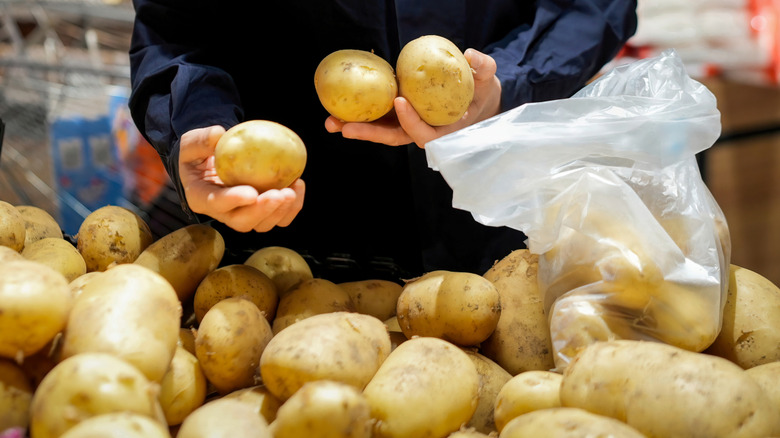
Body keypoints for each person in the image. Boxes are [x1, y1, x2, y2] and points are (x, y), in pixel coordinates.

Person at [128, 1, 638, 282]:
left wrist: (509, 81)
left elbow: (593, 4)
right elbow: (173, 29)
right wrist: (198, 126)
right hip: (285, 228)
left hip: (494, 210)